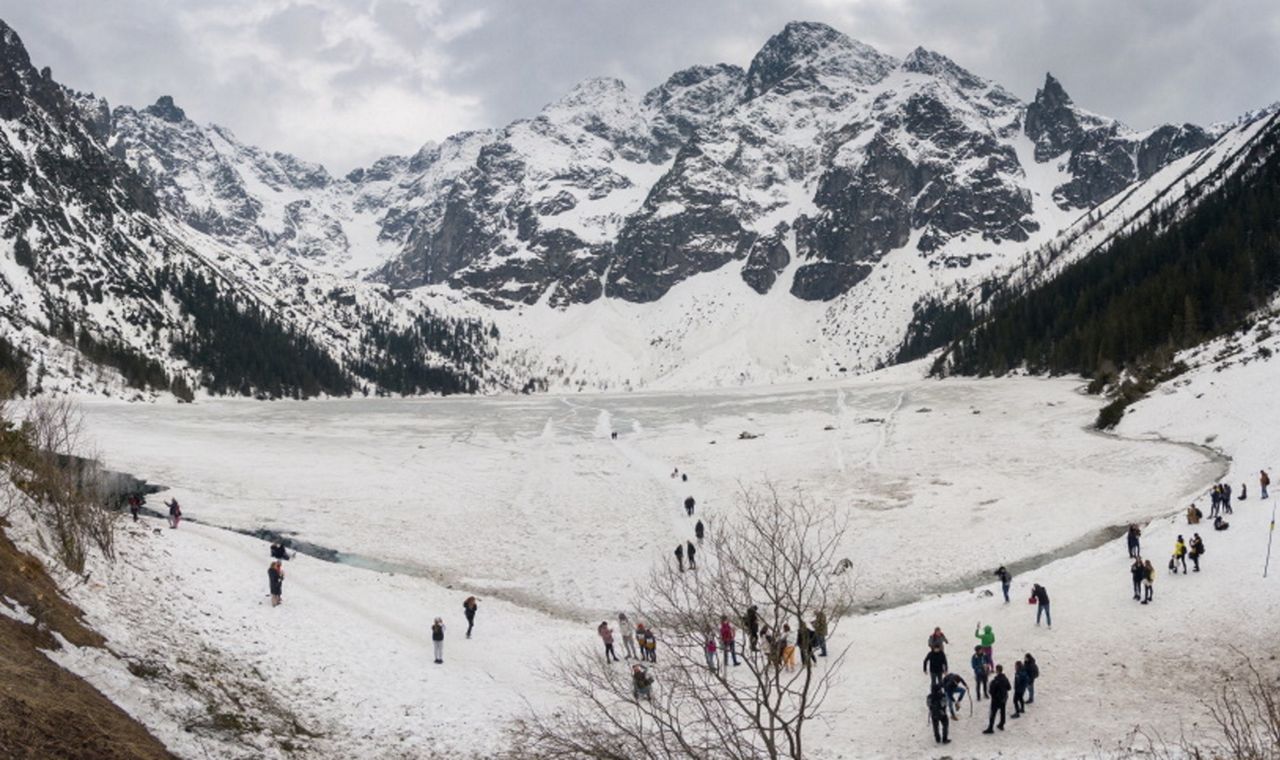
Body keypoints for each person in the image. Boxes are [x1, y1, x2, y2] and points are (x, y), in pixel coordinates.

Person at [983, 664, 1011, 733]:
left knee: (993, 714)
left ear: (997, 670)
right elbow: (1009, 687)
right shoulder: (1005, 678)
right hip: (1004, 698)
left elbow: (991, 691)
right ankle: (1001, 724)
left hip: (996, 700)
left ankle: (990, 728)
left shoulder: (995, 681)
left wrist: (992, 694)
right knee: (1002, 712)